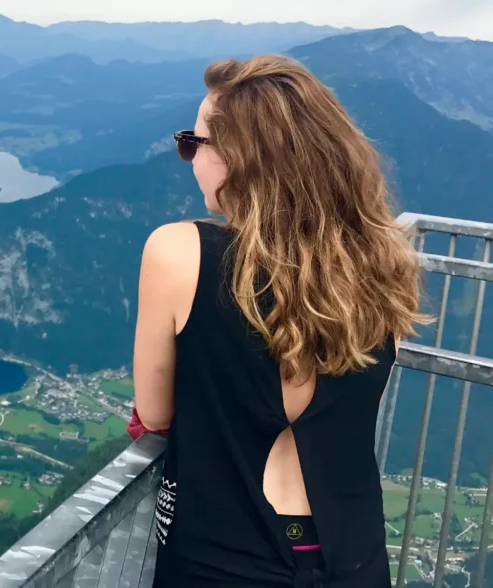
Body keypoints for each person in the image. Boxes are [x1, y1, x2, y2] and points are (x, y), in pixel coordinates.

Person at [132, 55, 428, 587]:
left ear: (239, 159)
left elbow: (155, 414)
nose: (189, 160)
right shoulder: (384, 266)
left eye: (192, 143)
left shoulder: (179, 254)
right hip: (354, 556)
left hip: (222, 557)